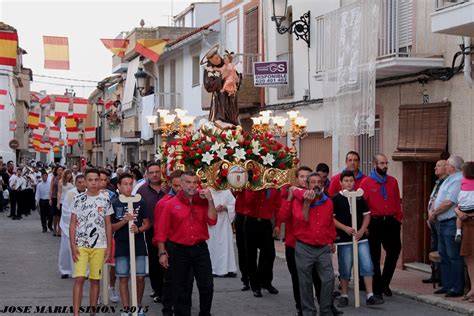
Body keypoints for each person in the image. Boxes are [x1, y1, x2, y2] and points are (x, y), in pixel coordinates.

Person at [157, 171, 217, 316]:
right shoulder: (170, 204)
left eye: (194, 183)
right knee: (181, 288)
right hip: (179, 251)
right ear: (181, 184)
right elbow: (161, 231)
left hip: (200, 249)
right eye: (188, 182)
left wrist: (210, 200)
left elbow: (212, 221)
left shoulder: (203, 202)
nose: (192, 186)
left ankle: (205, 313)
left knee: (207, 285)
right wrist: (162, 253)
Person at [333, 170, 384, 307]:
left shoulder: (360, 197)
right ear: (341, 182)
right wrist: (345, 228)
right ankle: (344, 295)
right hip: (344, 239)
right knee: (345, 266)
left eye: (351, 181)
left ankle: (370, 295)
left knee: (367, 265)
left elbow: (367, 215)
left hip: (360, 238)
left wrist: (361, 230)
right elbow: (332, 219)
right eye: (346, 181)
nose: (349, 183)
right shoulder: (336, 198)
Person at [69, 168, 114, 316]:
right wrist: (72, 245)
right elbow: (73, 224)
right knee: (79, 278)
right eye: (90, 180)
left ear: (101, 181)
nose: (94, 183)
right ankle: (76, 312)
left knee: (95, 279)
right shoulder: (78, 199)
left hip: (100, 245)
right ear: (85, 182)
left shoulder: (105, 199)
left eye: (97, 180)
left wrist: (108, 246)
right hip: (81, 245)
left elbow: (108, 224)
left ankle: (92, 311)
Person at [292, 173, 336, 316]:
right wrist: (307, 203)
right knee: (305, 282)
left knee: (329, 278)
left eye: (319, 181)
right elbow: (301, 220)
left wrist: (331, 240)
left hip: (323, 247)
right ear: (308, 185)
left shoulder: (328, 202)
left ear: (322, 184)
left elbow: (330, 224)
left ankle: (325, 310)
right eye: (313, 182)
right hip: (304, 247)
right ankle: (308, 312)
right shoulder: (299, 200)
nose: (316, 184)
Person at [360, 154, 402, 299]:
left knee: (394, 251)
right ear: (375, 164)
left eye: (386, 163)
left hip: (391, 221)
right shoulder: (366, 183)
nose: (385, 166)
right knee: (374, 256)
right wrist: (364, 225)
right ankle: (377, 289)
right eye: (382, 163)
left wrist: (398, 218)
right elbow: (362, 205)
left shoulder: (393, 181)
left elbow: (397, 200)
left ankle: (385, 283)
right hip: (374, 222)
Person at [111, 173, 150, 316]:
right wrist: (124, 221)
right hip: (121, 244)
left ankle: (137, 304)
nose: (128, 187)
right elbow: (111, 227)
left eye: (130, 184)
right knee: (123, 277)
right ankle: (126, 308)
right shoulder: (114, 203)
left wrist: (138, 229)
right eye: (125, 184)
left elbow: (147, 223)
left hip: (138, 243)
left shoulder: (140, 202)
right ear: (119, 187)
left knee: (140, 276)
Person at [275, 166, 312, 315]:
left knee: (316, 277)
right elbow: (282, 217)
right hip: (293, 244)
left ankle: (325, 305)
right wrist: (290, 199)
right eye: (301, 176)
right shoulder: (290, 195)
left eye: (307, 176)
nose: (304, 179)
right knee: (297, 278)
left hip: (312, 244)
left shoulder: (315, 194)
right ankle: (300, 306)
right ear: (297, 179)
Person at [429, 155, 464, 297]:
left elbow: (449, 202)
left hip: (450, 221)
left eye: (448, 164)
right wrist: (433, 212)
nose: (446, 166)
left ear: (453, 167)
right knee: (443, 254)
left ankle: (456, 287)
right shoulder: (449, 179)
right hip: (441, 221)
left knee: (453, 256)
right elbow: (439, 198)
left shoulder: (457, 180)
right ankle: (447, 284)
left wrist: (434, 213)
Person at [152, 169, 183, 316]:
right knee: (170, 281)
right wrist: (161, 250)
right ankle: (167, 309)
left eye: (180, 185)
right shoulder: (163, 203)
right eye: (176, 186)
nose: (179, 189)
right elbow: (159, 229)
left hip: (184, 246)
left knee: (184, 281)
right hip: (169, 245)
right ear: (170, 184)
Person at [136, 162, 166, 303]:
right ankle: (157, 290)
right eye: (152, 172)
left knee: (168, 260)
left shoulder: (168, 189)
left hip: (168, 230)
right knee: (154, 261)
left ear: (161, 173)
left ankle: (168, 289)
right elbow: (137, 211)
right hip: (151, 230)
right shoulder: (141, 191)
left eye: (157, 172)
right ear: (147, 174)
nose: (155, 175)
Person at [244, 188, 281, 297]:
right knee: (251, 255)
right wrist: (257, 189)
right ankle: (255, 285)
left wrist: (278, 224)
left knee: (270, 254)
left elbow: (278, 207)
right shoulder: (251, 186)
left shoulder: (274, 188)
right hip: (251, 222)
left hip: (265, 224)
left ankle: (266, 282)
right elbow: (248, 203)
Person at [202, 44, 240, 129]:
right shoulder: (208, 70)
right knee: (219, 116)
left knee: (232, 116)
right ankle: (220, 121)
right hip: (219, 98)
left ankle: (232, 122)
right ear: (211, 61)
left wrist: (237, 80)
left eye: (218, 57)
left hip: (231, 95)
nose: (219, 60)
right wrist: (222, 77)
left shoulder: (227, 64)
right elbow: (208, 86)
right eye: (216, 59)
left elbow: (235, 74)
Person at [423, 160, 448, 284]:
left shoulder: (447, 183)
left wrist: (433, 214)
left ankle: (442, 277)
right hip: (432, 219)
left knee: (441, 248)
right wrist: (429, 216)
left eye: (438, 166)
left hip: (440, 219)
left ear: (446, 167)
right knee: (434, 246)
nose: (435, 168)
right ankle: (435, 274)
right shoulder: (438, 183)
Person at [59, 174, 86, 278]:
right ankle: (65, 270)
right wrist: (76, 217)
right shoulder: (70, 194)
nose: (81, 184)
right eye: (79, 182)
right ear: (75, 183)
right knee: (66, 249)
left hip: (83, 226)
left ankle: (83, 271)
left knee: (83, 250)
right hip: (68, 225)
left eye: (83, 182)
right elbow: (65, 210)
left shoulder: (89, 193)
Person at [99, 168, 119, 303]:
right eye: (100, 179)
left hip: (111, 234)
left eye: (106, 180)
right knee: (98, 265)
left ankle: (111, 287)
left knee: (112, 264)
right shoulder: (87, 196)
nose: (103, 182)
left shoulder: (113, 196)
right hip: (95, 235)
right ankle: (100, 291)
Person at [455, 161, 474, 301]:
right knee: (469, 257)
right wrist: (458, 211)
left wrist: (466, 215)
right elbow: (458, 204)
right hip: (466, 223)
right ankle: (473, 289)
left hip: (470, 221)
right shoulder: (463, 183)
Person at [207, 188, 237, 277]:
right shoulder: (207, 192)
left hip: (224, 223)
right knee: (212, 245)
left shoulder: (227, 192)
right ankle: (212, 268)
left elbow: (235, 205)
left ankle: (228, 268)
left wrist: (226, 207)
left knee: (225, 245)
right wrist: (213, 209)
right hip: (211, 225)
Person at [234, 189, 250, 291]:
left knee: (267, 252)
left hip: (256, 214)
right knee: (242, 249)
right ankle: (245, 278)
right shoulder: (239, 174)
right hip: (241, 214)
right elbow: (233, 191)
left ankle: (263, 279)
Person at [455, 162, 474, 242]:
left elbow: (462, 191)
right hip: (472, 206)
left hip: (463, 207)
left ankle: (458, 232)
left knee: (459, 218)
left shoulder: (463, 180)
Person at [57, 169, 75, 236]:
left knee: (70, 217)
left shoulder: (73, 182)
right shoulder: (61, 182)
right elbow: (59, 192)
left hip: (71, 201)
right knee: (62, 216)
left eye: (70, 174)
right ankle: (60, 230)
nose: (69, 175)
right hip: (63, 200)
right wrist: (58, 203)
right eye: (68, 174)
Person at [50, 166, 64, 236]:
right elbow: (51, 189)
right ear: (56, 171)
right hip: (54, 197)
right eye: (59, 170)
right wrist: (50, 198)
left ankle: (60, 229)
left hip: (62, 198)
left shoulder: (64, 179)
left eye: (61, 170)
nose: (60, 171)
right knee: (55, 215)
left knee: (60, 215)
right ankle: (55, 228)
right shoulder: (54, 178)